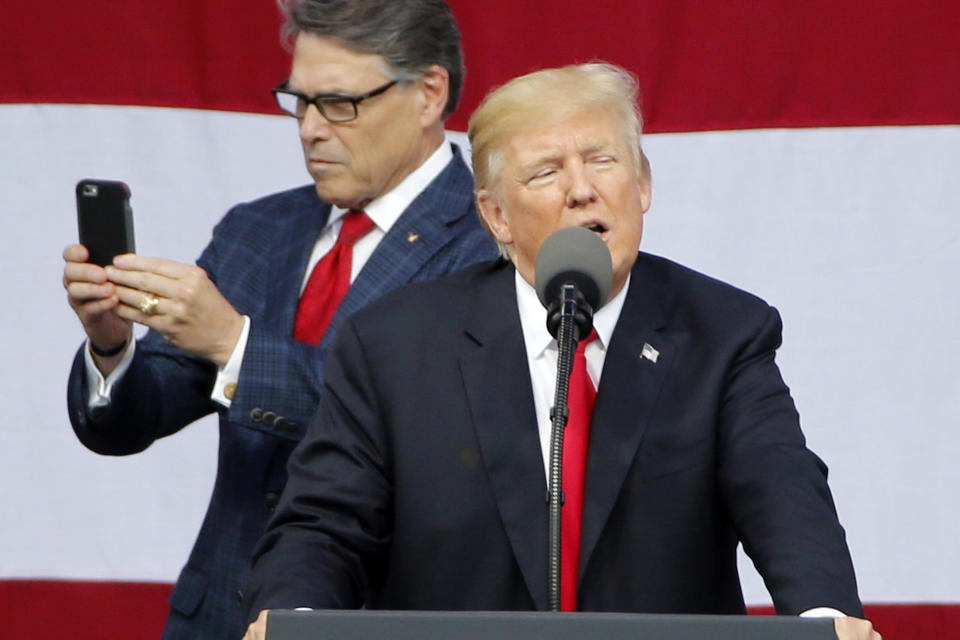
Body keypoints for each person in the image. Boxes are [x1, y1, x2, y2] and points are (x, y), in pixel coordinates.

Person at [242, 63, 881, 640]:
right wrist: (292, 617)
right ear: (495, 217)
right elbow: (324, 527)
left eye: (603, 161)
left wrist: (825, 622)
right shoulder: (392, 345)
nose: (582, 190)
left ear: (643, 185)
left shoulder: (722, 331)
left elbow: (784, 495)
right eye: (547, 172)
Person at [62, 1, 496, 637]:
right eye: (299, 101)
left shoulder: (489, 241)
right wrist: (111, 347)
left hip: (372, 618)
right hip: (218, 617)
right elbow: (127, 426)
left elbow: (417, 430)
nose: (310, 129)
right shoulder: (257, 228)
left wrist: (232, 344)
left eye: (339, 103)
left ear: (430, 93)